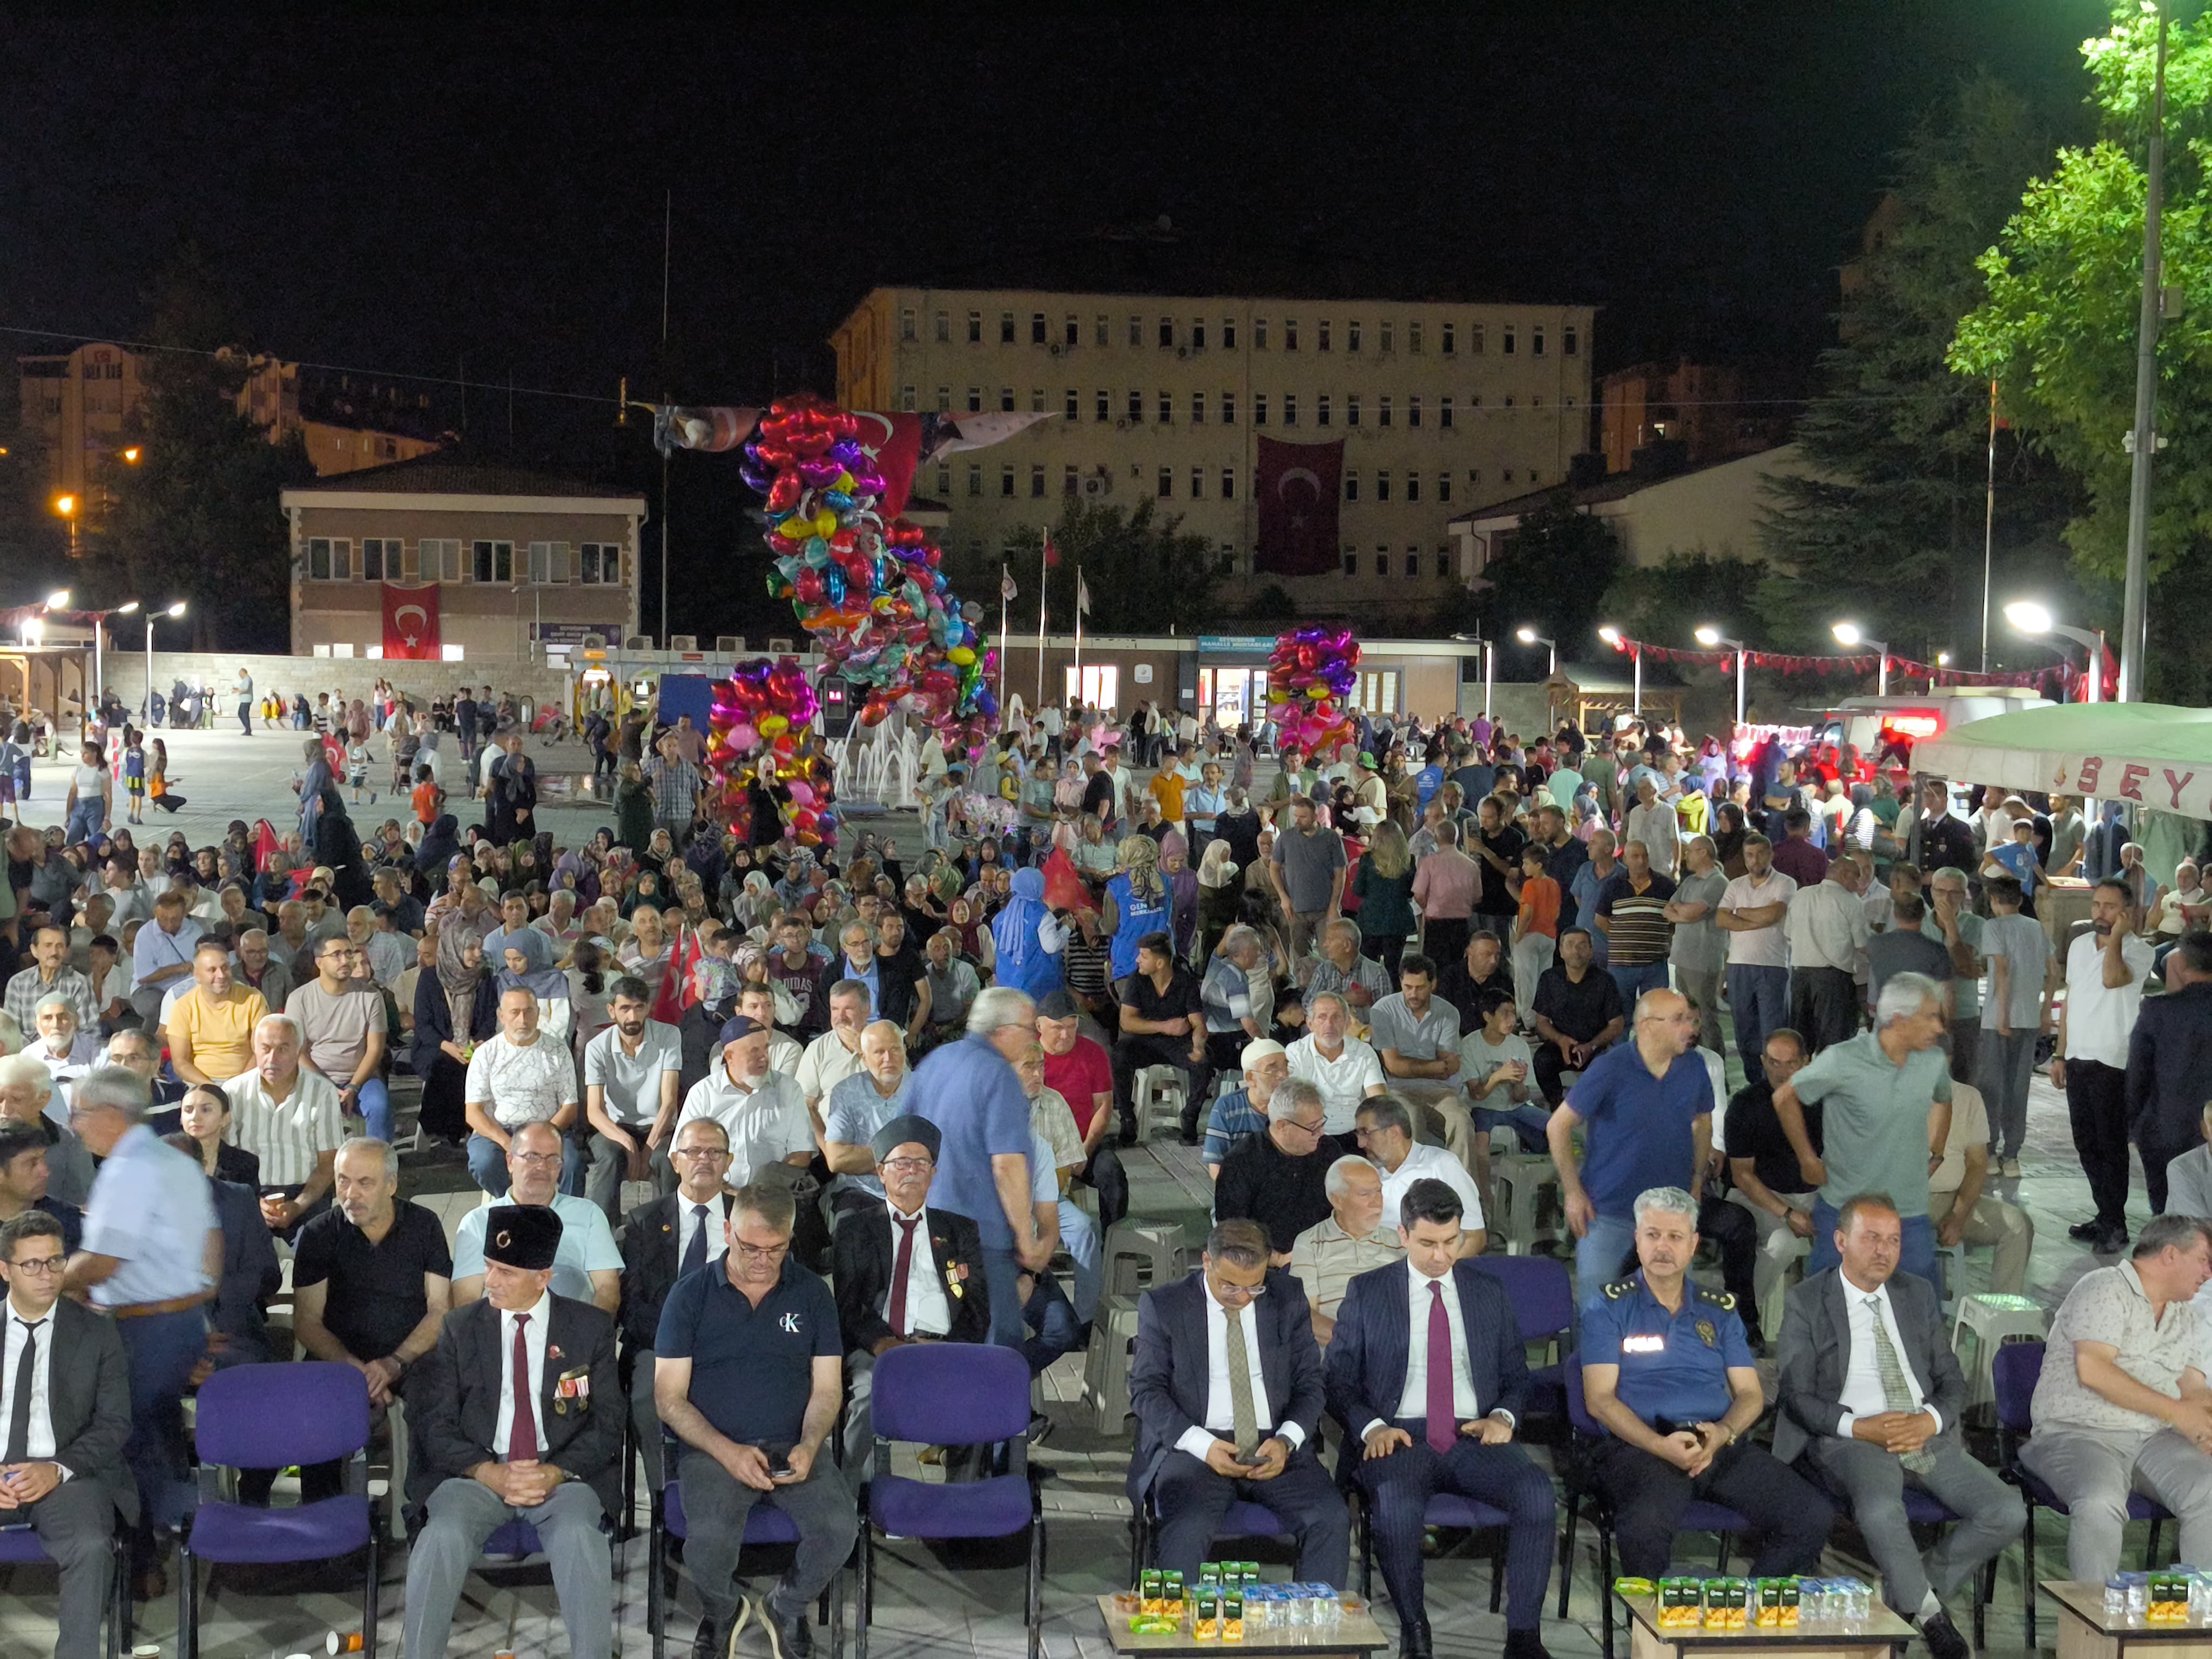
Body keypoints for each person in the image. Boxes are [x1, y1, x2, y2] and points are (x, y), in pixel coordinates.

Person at [1774, 1193, 2019, 1658]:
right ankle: (1932, 1617)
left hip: (1921, 1430)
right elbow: (1796, 1396)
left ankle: (1907, 1596)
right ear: (1841, 1241)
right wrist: (1859, 1428)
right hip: (1852, 1438)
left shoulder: (1917, 1294)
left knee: (2006, 1511)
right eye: (1872, 1239)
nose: (1884, 1251)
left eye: (1894, 1241)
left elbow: (1951, 1379)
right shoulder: (1807, 1300)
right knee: (1882, 1511)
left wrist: (1929, 1421)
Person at [1325, 1178, 1555, 1659]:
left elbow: (1517, 1373)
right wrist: (1373, 1428)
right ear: (1403, 1235)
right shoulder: (1369, 1292)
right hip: (1399, 1437)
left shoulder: (1486, 1292)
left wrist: (1504, 1417)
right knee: (1397, 1507)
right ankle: (1415, 1629)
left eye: (1450, 1242)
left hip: (1474, 1434)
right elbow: (1338, 1381)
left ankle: (1524, 1637)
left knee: (1535, 1491)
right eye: (1428, 1243)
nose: (1440, 1256)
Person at [1579, 1186, 1833, 1579]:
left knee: (1811, 1516)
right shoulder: (1609, 1307)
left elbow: (1750, 1394)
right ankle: (1655, 1638)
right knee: (1644, 1527)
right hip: (1640, 1446)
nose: (1663, 1247)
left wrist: (1722, 1433)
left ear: (1694, 1244)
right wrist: (1660, 1446)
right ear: (1638, 1239)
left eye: (1675, 1237)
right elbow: (1599, 1401)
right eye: (1653, 1235)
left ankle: (1742, 1615)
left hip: (1716, 1443)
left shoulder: (1719, 1312)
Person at [403, 1204, 621, 1659]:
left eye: (505, 1271)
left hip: (560, 1476)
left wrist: (556, 1472)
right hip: (477, 1474)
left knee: (582, 1540)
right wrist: (487, 1472)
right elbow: (434, 1422)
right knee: (440, 1537)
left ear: (543, 1277)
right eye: (488, 1268)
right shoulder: (460, 1329)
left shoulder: (589, 1329)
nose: (489, 1282)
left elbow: (608, 1424)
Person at [654, 1181, 858, 1659]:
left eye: (777, 1249)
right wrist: (726, 1451)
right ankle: (724, 1612)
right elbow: (668, 1398)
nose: (764, 1260)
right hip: (714, 1449)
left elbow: (828, 1389)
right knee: (707, 1543)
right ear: (728, 1231)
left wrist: (810, 1444)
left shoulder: (811, 1294)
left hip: (792, 1442)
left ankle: (786, 1605)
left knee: (838, 1529)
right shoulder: (690, 1297)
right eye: (750, 1248)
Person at [63, 1065, 218, 1599]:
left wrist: (49, 1279)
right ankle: (173, 1541)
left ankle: (162, 1548)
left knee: (123, 1448)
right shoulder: (169, 1160)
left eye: (80, 1113)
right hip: (174, 1322)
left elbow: (104, 1261)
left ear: (110, 1114)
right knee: (154, 1441)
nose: (75, 1124)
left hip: (147, 1328)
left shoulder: (128, 1168)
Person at [1127, 1217, 1349, 1588]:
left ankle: (1316, 1639)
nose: (1243, 1297)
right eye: (1229, 1286)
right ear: (1207, 1262)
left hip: (1273, 1442)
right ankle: (1172, 1640)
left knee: (1330, 1517)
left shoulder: (1286, 1298)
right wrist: (1204, 1445)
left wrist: (1287, 1441)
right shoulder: (1166, 1306)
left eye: (1254, 1287)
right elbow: (1147, 1391)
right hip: (1196, 1446)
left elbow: (1310, 1382)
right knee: (1187, 1524)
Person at [2018, 1214, 2212, 1584]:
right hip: (2079, 1433)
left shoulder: (2183, 1315)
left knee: (2209, 1490)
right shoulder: (2105, 1287)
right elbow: (2094, 1371)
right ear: (2170, 1254)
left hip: (2152, 1438)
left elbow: (2195, 1392)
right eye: (2205, 1260)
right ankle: (2096, 1627)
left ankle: (2200, 1622)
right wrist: (2177, 1412)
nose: (2209, 1273)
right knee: (2100, 1501)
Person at [0, 1210, 134, 1659]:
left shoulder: (96, 1333)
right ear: (5, 1270)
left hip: (67, 1475)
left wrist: (57, 1469)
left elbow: (115, 1423)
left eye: (55, 1262)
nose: (47, 1274)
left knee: (91, 1545)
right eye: (32, 1264)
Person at [289, 1137, 453, 1503]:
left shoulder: (424, 1226)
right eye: (343, 1181)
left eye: (366, 1183)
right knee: (318, 1404)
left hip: (412, 1355)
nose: (351, 1194)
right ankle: (325, 1519)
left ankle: (422, 1509)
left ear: (392, 1185)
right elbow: (308, 1322)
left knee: (440, 1399)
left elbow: (440, 1308)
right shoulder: (318, 1234)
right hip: (341, 1358)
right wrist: (355, 1369)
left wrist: (394, 1364)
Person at [1772, 973, 1951, 1285]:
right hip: (1846, 1210)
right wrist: (1807, 1160)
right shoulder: (1843, 1060)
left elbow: (1943, 1100)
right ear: (1899, 1020)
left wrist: (1936, 1152)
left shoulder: (1933, 1061)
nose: (1939, 1027)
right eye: (1931, 1017)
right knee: (1828, 1309)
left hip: (1908, 1214)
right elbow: (1785, 1097)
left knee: (1918, 1313)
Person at [831, 1113, 991, 1459]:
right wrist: (883, 1342)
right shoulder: (855, 1230)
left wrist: (949, 1347)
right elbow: (847, 1306)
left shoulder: (960, 1231)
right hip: (880, 1351)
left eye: (922, 1163)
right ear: (881, 1171)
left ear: (934, 1172)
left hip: (945, 1348)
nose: (912, 1170)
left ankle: (963, 1498)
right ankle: (850, 1498)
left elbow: (977, 1306)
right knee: (868, 1397)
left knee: (977, 1397)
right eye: (901, 1162)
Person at [904, 987, 1051, 1347]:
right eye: (1030, 1027)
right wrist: (1025, 1238)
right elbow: (1007, 1167)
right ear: (1003, 1031)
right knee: (997, 1349)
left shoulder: (936, 1061)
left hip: (929, 1230)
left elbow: (901, 1139)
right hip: (980, 1237)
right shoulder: (999, 1076)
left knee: (945, 1344)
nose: (1036, 1036)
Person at [1545, 989, 1710, 1305]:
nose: (1690, 1028)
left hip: (1669, 1214)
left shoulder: (1694, 1066)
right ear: (1648, 1025)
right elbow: (1558, 1125)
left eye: (1690, 1019)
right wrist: (1573, 1192)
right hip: (1609, 1210)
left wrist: (1698, 1179)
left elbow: (1703, 1122)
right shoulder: (1612, 1068)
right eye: (1679, 1020)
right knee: (1596, 1308)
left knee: (1669, 1310)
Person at [616, 1117, 735, 1492]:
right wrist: (680, 1343)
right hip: (660, 1347)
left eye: (715, 1152)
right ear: (675, 1160)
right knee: (647, 1401)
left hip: (735, 1346)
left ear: (729, 1162)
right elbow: (631, 1307)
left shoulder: (748, 1217)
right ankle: (667, 1503)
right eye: (693, 1151)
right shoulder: (643, 1222)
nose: (704, 1159)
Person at [2056, 879, 2157, 1253]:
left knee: (2111, 1144)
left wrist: (2117, 937)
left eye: (2110, 906)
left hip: (2113, 1060)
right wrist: (2059, 1053)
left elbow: (2113, 979)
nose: (2100, 912)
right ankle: (2104, 1214)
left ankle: (2116, 1224)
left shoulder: (2140, 951)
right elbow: (2071, 1000)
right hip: (2079, 1055)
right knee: (2086, 1144)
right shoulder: (2080, 945)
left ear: (2127, 912)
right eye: (2096, 904)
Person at [451, 1122, 622, 1314]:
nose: (542, 1166)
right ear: (510, 1162)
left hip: (571, 1334)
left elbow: (608, 1290)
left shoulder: (589, 1214)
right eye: (532, 1157)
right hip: (499, 1336)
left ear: (561, 1167)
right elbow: (466, 1300)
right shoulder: (477, 1222)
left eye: (552, 1159)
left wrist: (590, 1338)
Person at [1724, 1030, 1820, 1326]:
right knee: (1782, 1244)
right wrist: (1788, 1213)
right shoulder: (1745, 1105)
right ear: (1763, 1061)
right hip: (1759, 1195)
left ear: (1806, 1062)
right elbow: (1742, 1176)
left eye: (1790, 1063)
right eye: (1774, 1063)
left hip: (1811, 1195)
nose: (1782, 1071)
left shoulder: (1821, 1101)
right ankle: (1741, 1315)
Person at [224, 1012, 345, 1237]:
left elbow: (329, 1162)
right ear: (255, 1049)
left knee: (314, 1256)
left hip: (306, 1194)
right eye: (265, 1048)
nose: (272, 1058)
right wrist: (252, 1202)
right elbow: (227, 1161)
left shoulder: (322, 1092)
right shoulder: (234, 1092)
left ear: (298, 1051)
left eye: (283, 1049)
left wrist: (299, 1205)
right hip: (250, 1195)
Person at [464, 985, 584, 1197]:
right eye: (515, 1013)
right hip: (499, 1130)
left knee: (573, 1164)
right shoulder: (486, 1054)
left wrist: (540, 1138)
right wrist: (508, 1143)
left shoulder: (558, 1051)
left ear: (538, 1014)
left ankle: (566, 1217)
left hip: (549, 1127)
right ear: (502, 1017)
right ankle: (512, 1205)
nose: (523, 1019)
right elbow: (474, 1112)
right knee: (484, 1163)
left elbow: (569, 1106)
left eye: (529, 1012)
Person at [581, 975, 682, 1221]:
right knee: (610, 1156)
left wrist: (646, 1151)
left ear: (648, 1007)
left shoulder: (669, 1036)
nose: (633, 1017)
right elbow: (594, 1111)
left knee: (671, 1160)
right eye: (625, 1009)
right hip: (616, 1127)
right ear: (612, 1010)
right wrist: (627, 1142)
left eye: (639, 1008)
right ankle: (601, 1229)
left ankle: (672, 1227)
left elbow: (669, 1102)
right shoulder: (597, 1047)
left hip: (659, 1127)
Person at [1215, 1080, 1346, 1262]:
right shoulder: (1242, 1162)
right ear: (1283, 1126)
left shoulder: (1328, 1151)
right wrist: (1277, 1259)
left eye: (1321, 1123)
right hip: (1264, 1263)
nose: (1321, 1133)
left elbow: (1345, 1204)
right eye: (1312, 1127)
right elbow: (1232, 1231)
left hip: (1326, 1256)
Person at [1926, 1081, 2033, 1298]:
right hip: (1903, 1201)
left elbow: (1977, 1164)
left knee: (2017, 1226)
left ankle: (2001, 1319)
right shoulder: (1892, 1090)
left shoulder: (1967, 1096)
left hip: (1952, 1199)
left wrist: (1958, 1216)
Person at [2130, 932, 2212, 1215]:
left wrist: (2132, 1123)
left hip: (2166, 1126)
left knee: (2168, 1214)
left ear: (2183, 965)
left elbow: (2138, 1074)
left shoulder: (2158, 1009)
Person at [1366, 956, 1473, 1168]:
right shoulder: (1383, 1010)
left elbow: (1448, 1068)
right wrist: (1434, 1066)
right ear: (1400, 983)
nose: (1413, 994)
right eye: (1408, 987)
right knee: (1410, 1119)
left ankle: (1463, 1189)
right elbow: (1394, 1067)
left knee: (1462, 1120)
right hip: (1399, 1090)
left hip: (1441, 1091)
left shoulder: (1448, 1013)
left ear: (1433, 984)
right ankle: (1413, 1187)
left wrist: (1411, 1067)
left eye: (1420, 987)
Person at [285, 933, 393, 1142]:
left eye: (349, 953)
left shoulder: (370, 996)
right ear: (320, 963)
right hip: (314, 1077)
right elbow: (299, 1053)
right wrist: (328, 1087)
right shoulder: (300, 999)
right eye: (336, 955)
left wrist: (353, 1087)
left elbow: (375, 1050)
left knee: (380, 1106)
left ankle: (378, 1166)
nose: (345, 961)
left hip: (361, 1078)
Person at [1036, 990, 1126, 1228]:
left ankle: (1113, 1244)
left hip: (1085, 1143)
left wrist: (1084, 1150)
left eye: (1072, 1026)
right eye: (1058, 1028)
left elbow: (1103, 1107)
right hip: (1041, 1146)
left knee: (1112, 1173)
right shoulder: (1030, 1058)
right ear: (1039, 1026)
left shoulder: (1094, 1054)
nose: (1066, 1035)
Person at [1289, 1155, 1401, 1347]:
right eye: (1365, 1194)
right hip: (1337, 1355)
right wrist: (1358, 1343)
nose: (1377, 1202)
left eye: (1379, 1191)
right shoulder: (1309, 1242)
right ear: (1337, 1201)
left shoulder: (1401, 1241)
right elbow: (1305, 1317)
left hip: (1393, 1349)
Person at [1980, 876, 2051, 1178]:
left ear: (1994, 900)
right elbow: (2054, 971)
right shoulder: (2036, 928)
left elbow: (2003, 970)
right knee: (2018, 1087)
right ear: (2020, 900)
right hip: (2030, 1018)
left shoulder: (1993, 927)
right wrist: (2046, 1010)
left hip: (1999, 1018)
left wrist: (2002, 1015)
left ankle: (1990, 1152)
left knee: (1992, 1086)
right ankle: (2012, 1155)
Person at [1112, 931, 1212, 1144]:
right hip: (1146, 1042)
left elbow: (1198, 1024)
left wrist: (1198, 1044)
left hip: (1178, 1044)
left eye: (1143, 956)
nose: (1138, 960)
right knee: (1119, 1054)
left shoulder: (1185, 981)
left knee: (1204, 1063)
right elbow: (1127, 1022)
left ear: (1159, 963)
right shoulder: (1137, 980)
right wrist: (1164, 1026)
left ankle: (1189, 1118)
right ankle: (1127, 1117)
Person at [1353, 1094, 1484, 1257]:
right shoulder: (1364, 1173)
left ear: (1394, 1133)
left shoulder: (1441, 1165)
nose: (1360, 1144)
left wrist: (1437, 1274)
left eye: (1366, 1133)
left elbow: (1475, 1237)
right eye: (1358, 1134)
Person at [1529, 929, 1624, 1109]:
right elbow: (1541, 1021)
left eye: (1582, 945)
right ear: (1561, 951)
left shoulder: (1605, 980)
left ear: (1591, 951)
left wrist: (1592, 1046)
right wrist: (1560, 1040)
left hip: (1596, 1045)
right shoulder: (1549, 979)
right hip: (1560, 1044)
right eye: (1570, 945)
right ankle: (1557, 1105)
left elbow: (1617, 1024)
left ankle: (1596, 1107)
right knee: (1542, 1061)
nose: (1576, 951)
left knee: (1611, 1066)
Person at [1784, 854, 1867, 1056]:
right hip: (1834, 980)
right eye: (1856, 877)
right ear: (1844, 875)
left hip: (1801, 977)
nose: (1859, 883)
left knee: (1800, 1043)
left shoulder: (1802, 895)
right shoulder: (1851, 902)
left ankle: (1799, 1084)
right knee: (1834, 1044)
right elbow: (1863, 945)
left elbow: (1788, 933)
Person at [165, 939, 269, 1087]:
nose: (221, 975)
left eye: (225, 968)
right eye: (212, 970)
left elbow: (260, 1050)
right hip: (201, 1084)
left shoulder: (253, 999)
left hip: (247, 1081)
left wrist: (238, 1085)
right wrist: (212, 1089)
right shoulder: (183, 1006)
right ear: (197, 975)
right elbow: (180, 1063)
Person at [1270, 796, 1346, 961]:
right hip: (1296, 910)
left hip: (1324, 909)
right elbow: (1274, 868)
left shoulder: (1331, 838)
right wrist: (1283, 897)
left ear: (1315, 816)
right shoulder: (1286, 838)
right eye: (1296, 816)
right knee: (1300, 958)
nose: (1298, 821)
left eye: (1303, 817)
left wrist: (1334, 905)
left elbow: (1341, 873)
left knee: (1330, 955)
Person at [4, 923, 98, 1036]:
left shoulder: (79, 983)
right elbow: (10, 1031)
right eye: (48, 946)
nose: (54, 952)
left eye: (59, 946)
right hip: (27, 1052)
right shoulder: (18, 984)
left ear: (67, 951)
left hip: (68, 1051)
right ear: (34, 951)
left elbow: (89, 1030)